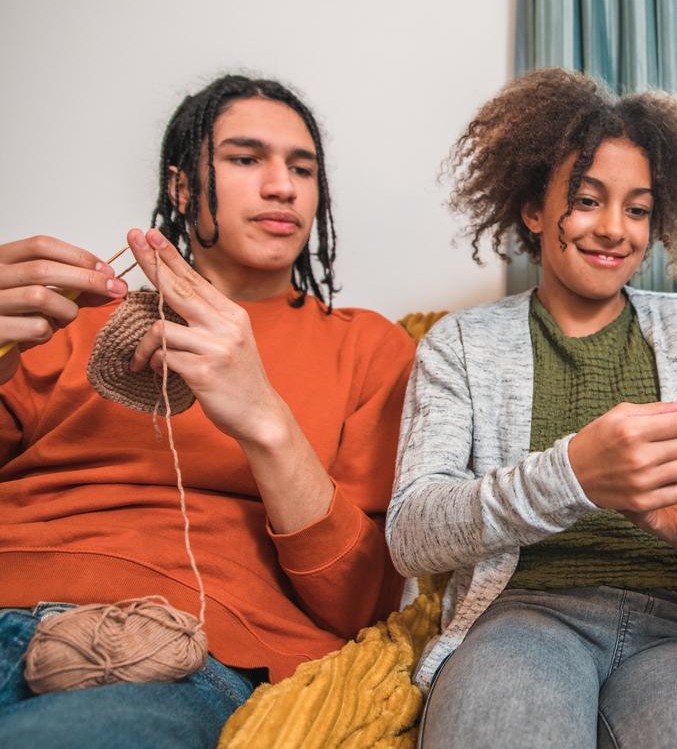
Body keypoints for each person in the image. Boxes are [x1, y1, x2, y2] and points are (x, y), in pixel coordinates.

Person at [386, 68, 677, 748]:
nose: (615, 230)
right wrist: (573, 476)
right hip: (522, 621)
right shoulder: (463, 345)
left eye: (639, 209)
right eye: (588, 200)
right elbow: (412, 535)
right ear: (534, 210)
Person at [0, 75, 415, 747]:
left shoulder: (368, 347)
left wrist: (264, 418)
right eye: (247, 159)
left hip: (173, 658)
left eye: (302, 168)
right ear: (182, 188)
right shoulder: (65, 323)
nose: (282, 186)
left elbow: (360, 604)